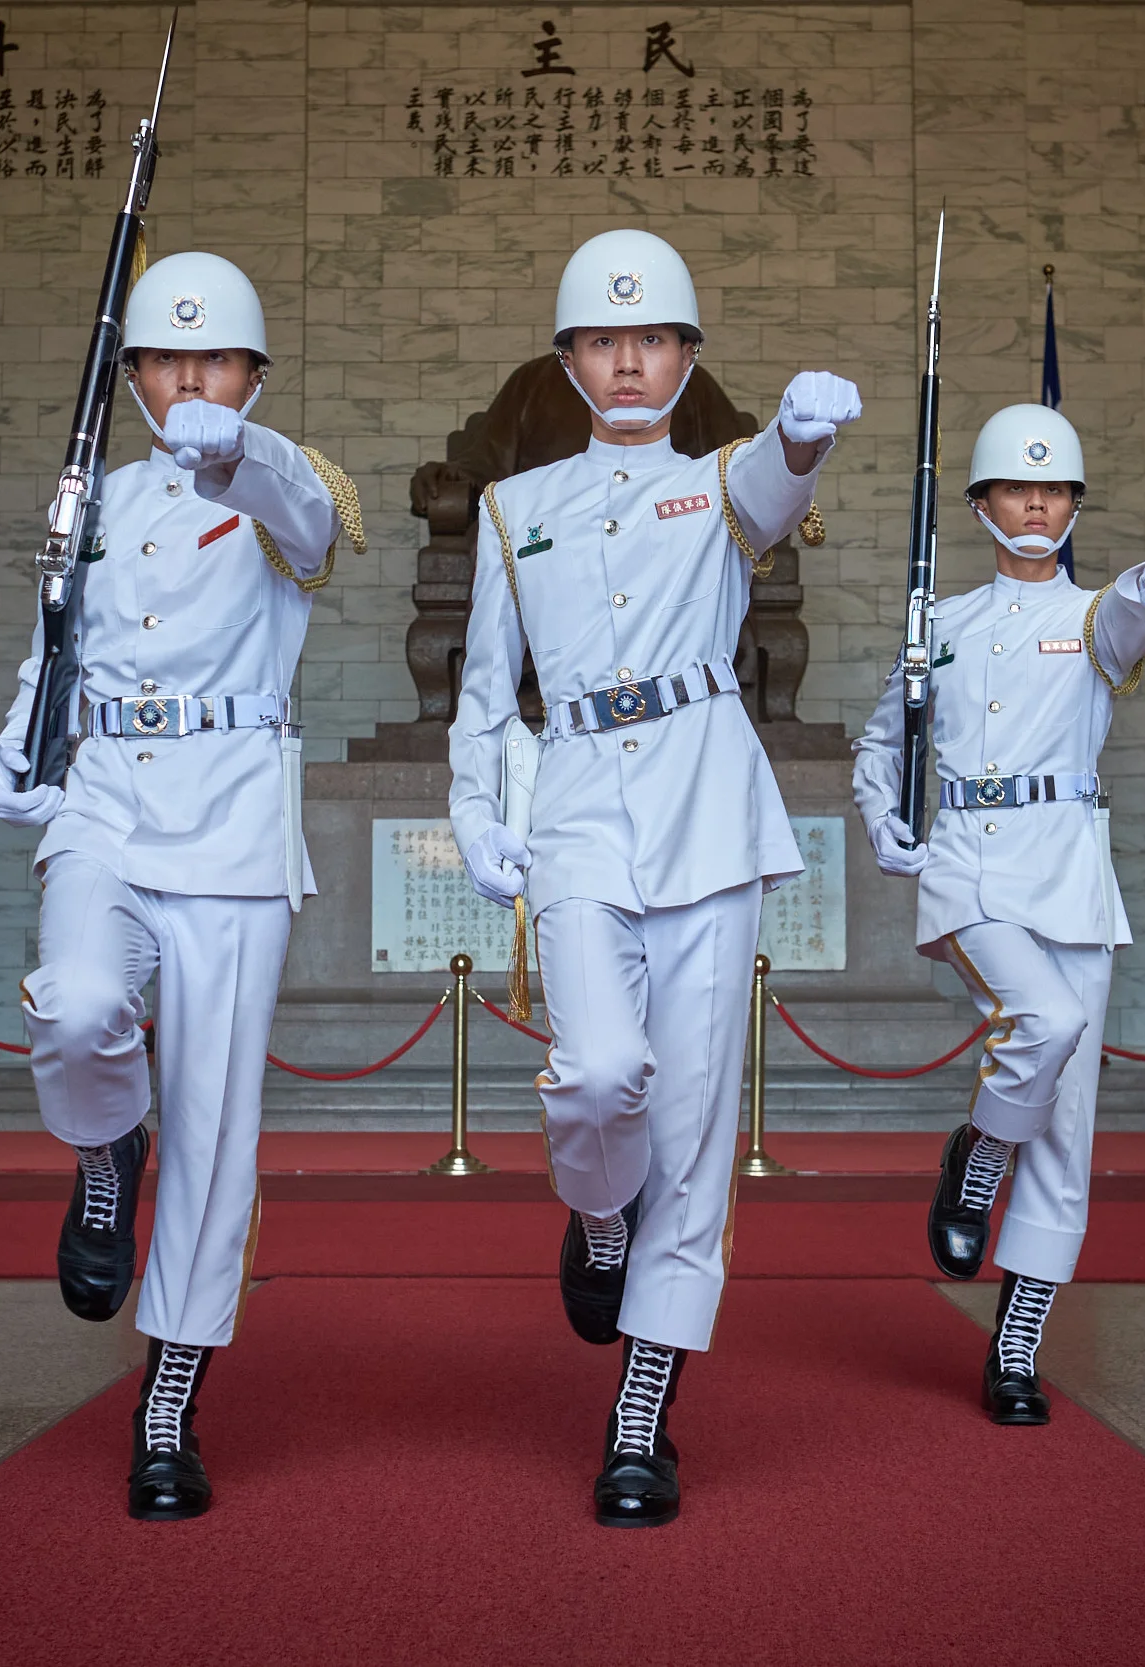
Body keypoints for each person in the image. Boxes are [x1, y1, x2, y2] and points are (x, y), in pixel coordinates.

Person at [448, 227, 859, 1526]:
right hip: (573, 799)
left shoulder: (723, 481)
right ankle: (599, 1214)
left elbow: (778, 495)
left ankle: (641, 1412)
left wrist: (802, 438)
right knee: (600, 1072)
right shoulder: (518, 510)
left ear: (686, 358)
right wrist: (474, 807)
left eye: (655, 339)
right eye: (604, 341)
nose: (629, 360)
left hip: (705, 804)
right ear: (571, 360)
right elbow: (481, 687)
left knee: (692, 1124)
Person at [0, 250, 362, 1519]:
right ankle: (103, 1144)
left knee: (215, 1125)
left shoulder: (284, 488)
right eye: (165, 359)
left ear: (255, 374)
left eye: (216, 360)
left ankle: (169, 1398)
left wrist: (236, 453)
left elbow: (308, 523)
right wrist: (23, 728)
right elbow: (60, 632)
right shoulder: (89, 498)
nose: (189, 378)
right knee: (76, 1002)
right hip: (107, 798)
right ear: (132, 373)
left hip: (233, 824)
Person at [850, 403, 1145, 1425]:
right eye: (1017, 487)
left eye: (1056, 490)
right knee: (1041, 1021)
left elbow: (1127, 630)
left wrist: (1140, 588)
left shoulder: (1095, 618)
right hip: (969, 868)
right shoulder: (938, 626)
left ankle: (1015, 1344)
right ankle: (978, 1156)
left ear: (1074, 504)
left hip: (1069, 878)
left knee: (1070, 1128)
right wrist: (880, 817)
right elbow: (880, 742)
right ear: (980, 504)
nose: (1038, 502)